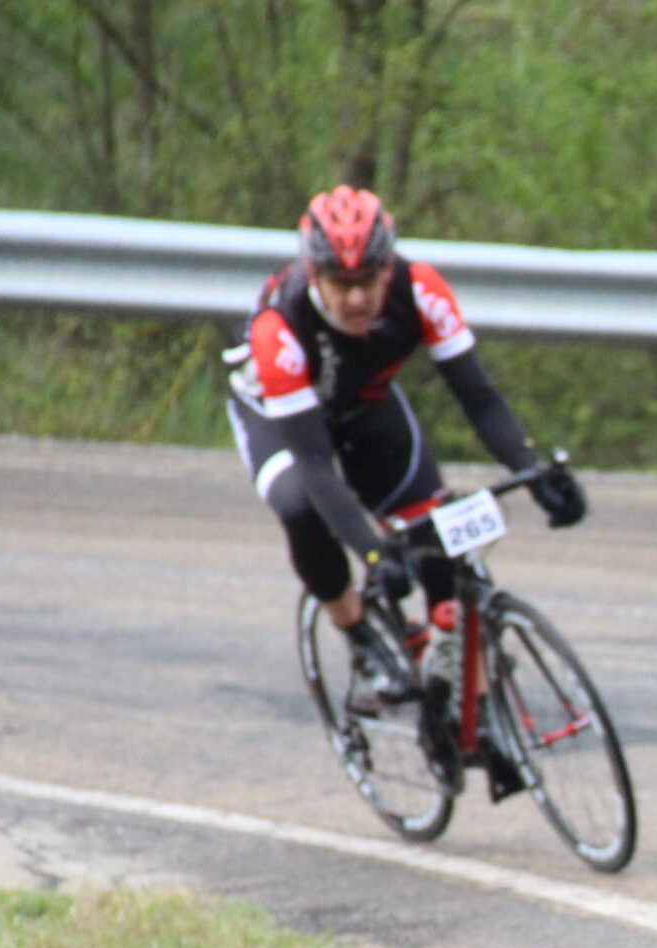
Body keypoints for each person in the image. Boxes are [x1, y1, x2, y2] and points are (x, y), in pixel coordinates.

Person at [226, 185, 586, 707]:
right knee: (300, 503)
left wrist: (534, 470)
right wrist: (373, 554)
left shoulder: (420, 289)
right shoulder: (279, 327)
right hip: (279, 420)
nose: (355, 299)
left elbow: (480, 398)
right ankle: (361, 637)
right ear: (314, 274)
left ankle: (454, 667)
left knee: (433, 518)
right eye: (340, 284)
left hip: (363, 405)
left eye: (368, 280)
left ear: (388, 269)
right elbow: (316, 465)